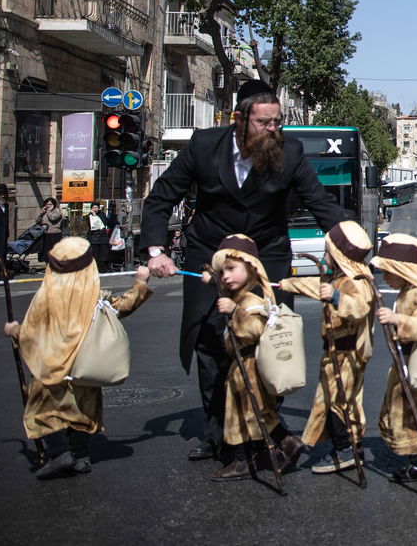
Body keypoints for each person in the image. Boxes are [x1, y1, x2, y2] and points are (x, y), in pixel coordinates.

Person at [137, 79, 351, 463]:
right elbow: (161, 197)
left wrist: (350, 245)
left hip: (266, 255)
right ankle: (215, 431)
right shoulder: (203, 146)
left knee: (270, 340)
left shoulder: (290, 151)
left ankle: (266, 425)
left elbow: (320, 203)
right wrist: (156, 251)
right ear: (240, 119)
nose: (274, 130)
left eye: (278, 122)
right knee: (211, 341)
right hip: (210, 254)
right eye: (264, 123)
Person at [2, 237, 152, 479]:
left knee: (44, 411)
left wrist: (13, 331)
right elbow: (122, 307)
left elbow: (30, 334)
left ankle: (60, 452)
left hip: (52, 369)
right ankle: (81, 456)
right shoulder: (95, 297)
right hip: (85, 366)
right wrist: (140, 283)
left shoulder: (46, 299)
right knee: (81, 411)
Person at [276, 220, 375, 475]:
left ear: (338, 254)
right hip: (336, 351)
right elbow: (318, 287)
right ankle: (344, 447)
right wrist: (286, 285)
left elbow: (360, 307)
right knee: (332, 400)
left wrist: (337, 298)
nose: (324, 256)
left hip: (348, 353)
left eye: (327, 251)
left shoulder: (354, 280)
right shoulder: (341, 276)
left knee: (342, 401)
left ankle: (347, 450)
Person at [203, 235, 304, 481]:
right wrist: (214, 281)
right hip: (241, 365)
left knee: (248, 412)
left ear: (251, 268)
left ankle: (247, 459)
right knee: (252, 410)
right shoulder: (239, 296)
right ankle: (271, 448)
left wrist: (235, 311)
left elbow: (255, 330)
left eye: (231, 269)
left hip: (250, 365)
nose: (225, 275)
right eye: (221, 271)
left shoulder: (251, 300)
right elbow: (224, 286)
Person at [372, 233, 417, 482]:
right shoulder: (410, 289)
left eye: (387, 272)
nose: (384, 278)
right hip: (409, 363)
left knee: (406, 415)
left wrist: (397, 320)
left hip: (412, 364)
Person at [36, 196, 64, 263]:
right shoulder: (45, 212)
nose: (48, 206)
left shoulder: (57, 211)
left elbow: (53, 218)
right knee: (46, 253)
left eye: (50, 204)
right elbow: (37, 221)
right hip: (46, 234)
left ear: (54, 204)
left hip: (55, 234)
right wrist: (41, 214)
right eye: (47, 204)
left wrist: (48, 211)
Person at [86, 202, 112, 273]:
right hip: (93, 238)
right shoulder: (89, 216)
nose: (95, 209)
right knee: (94, 255)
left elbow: (106, 222)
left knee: (103, 255)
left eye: (96, 207)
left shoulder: (102, 214)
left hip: (102, 238)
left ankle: (103, 269)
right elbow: (91, 224)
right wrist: (93, 215)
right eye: (93, 208)